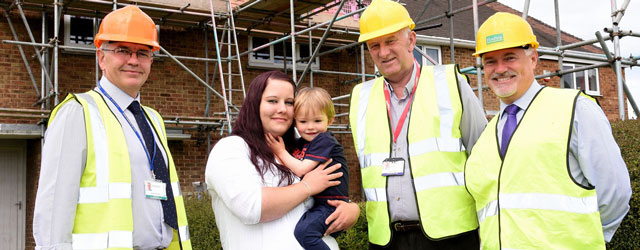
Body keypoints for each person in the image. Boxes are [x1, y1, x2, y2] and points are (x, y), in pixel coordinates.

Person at [464, 12, 632, 250]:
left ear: (533, 59)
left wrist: (588, 240)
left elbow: (615, 193)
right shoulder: (486, 137)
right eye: (490, 61)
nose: (499, 69)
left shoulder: (575, 109)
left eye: (509, 57)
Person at [32, 6, 191, 250]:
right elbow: (54, 209)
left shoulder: (153, 119)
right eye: (123, 51)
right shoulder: (78, 112)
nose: (133, 61)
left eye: (143, 53)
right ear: (101, 57)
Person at [349, 0, 487, 249]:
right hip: (386, 239)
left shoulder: (451, 84)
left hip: (452, 237)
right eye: (374, 45)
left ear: (411, 40)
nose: (383, 52)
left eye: (390, 41)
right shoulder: (361, 97)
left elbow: (485, 160)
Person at [206, 71, 360, 250]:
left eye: (289, 102)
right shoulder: (231, 148)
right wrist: (307, 187)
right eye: (272, 101)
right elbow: (251, 207)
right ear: (254, 104)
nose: (282, 109)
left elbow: (321, 201)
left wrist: (351, 210)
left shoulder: (297, 150)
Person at [265, 87, 349, 250]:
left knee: (304, 233)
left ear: (330, 120)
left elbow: (302, 169)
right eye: (303, 122)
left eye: (317, 121)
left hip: (332, 205)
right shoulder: (303, 143)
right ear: (295, 121)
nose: (310, 127)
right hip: (318, 204)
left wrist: (280, 151)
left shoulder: (324, 140)